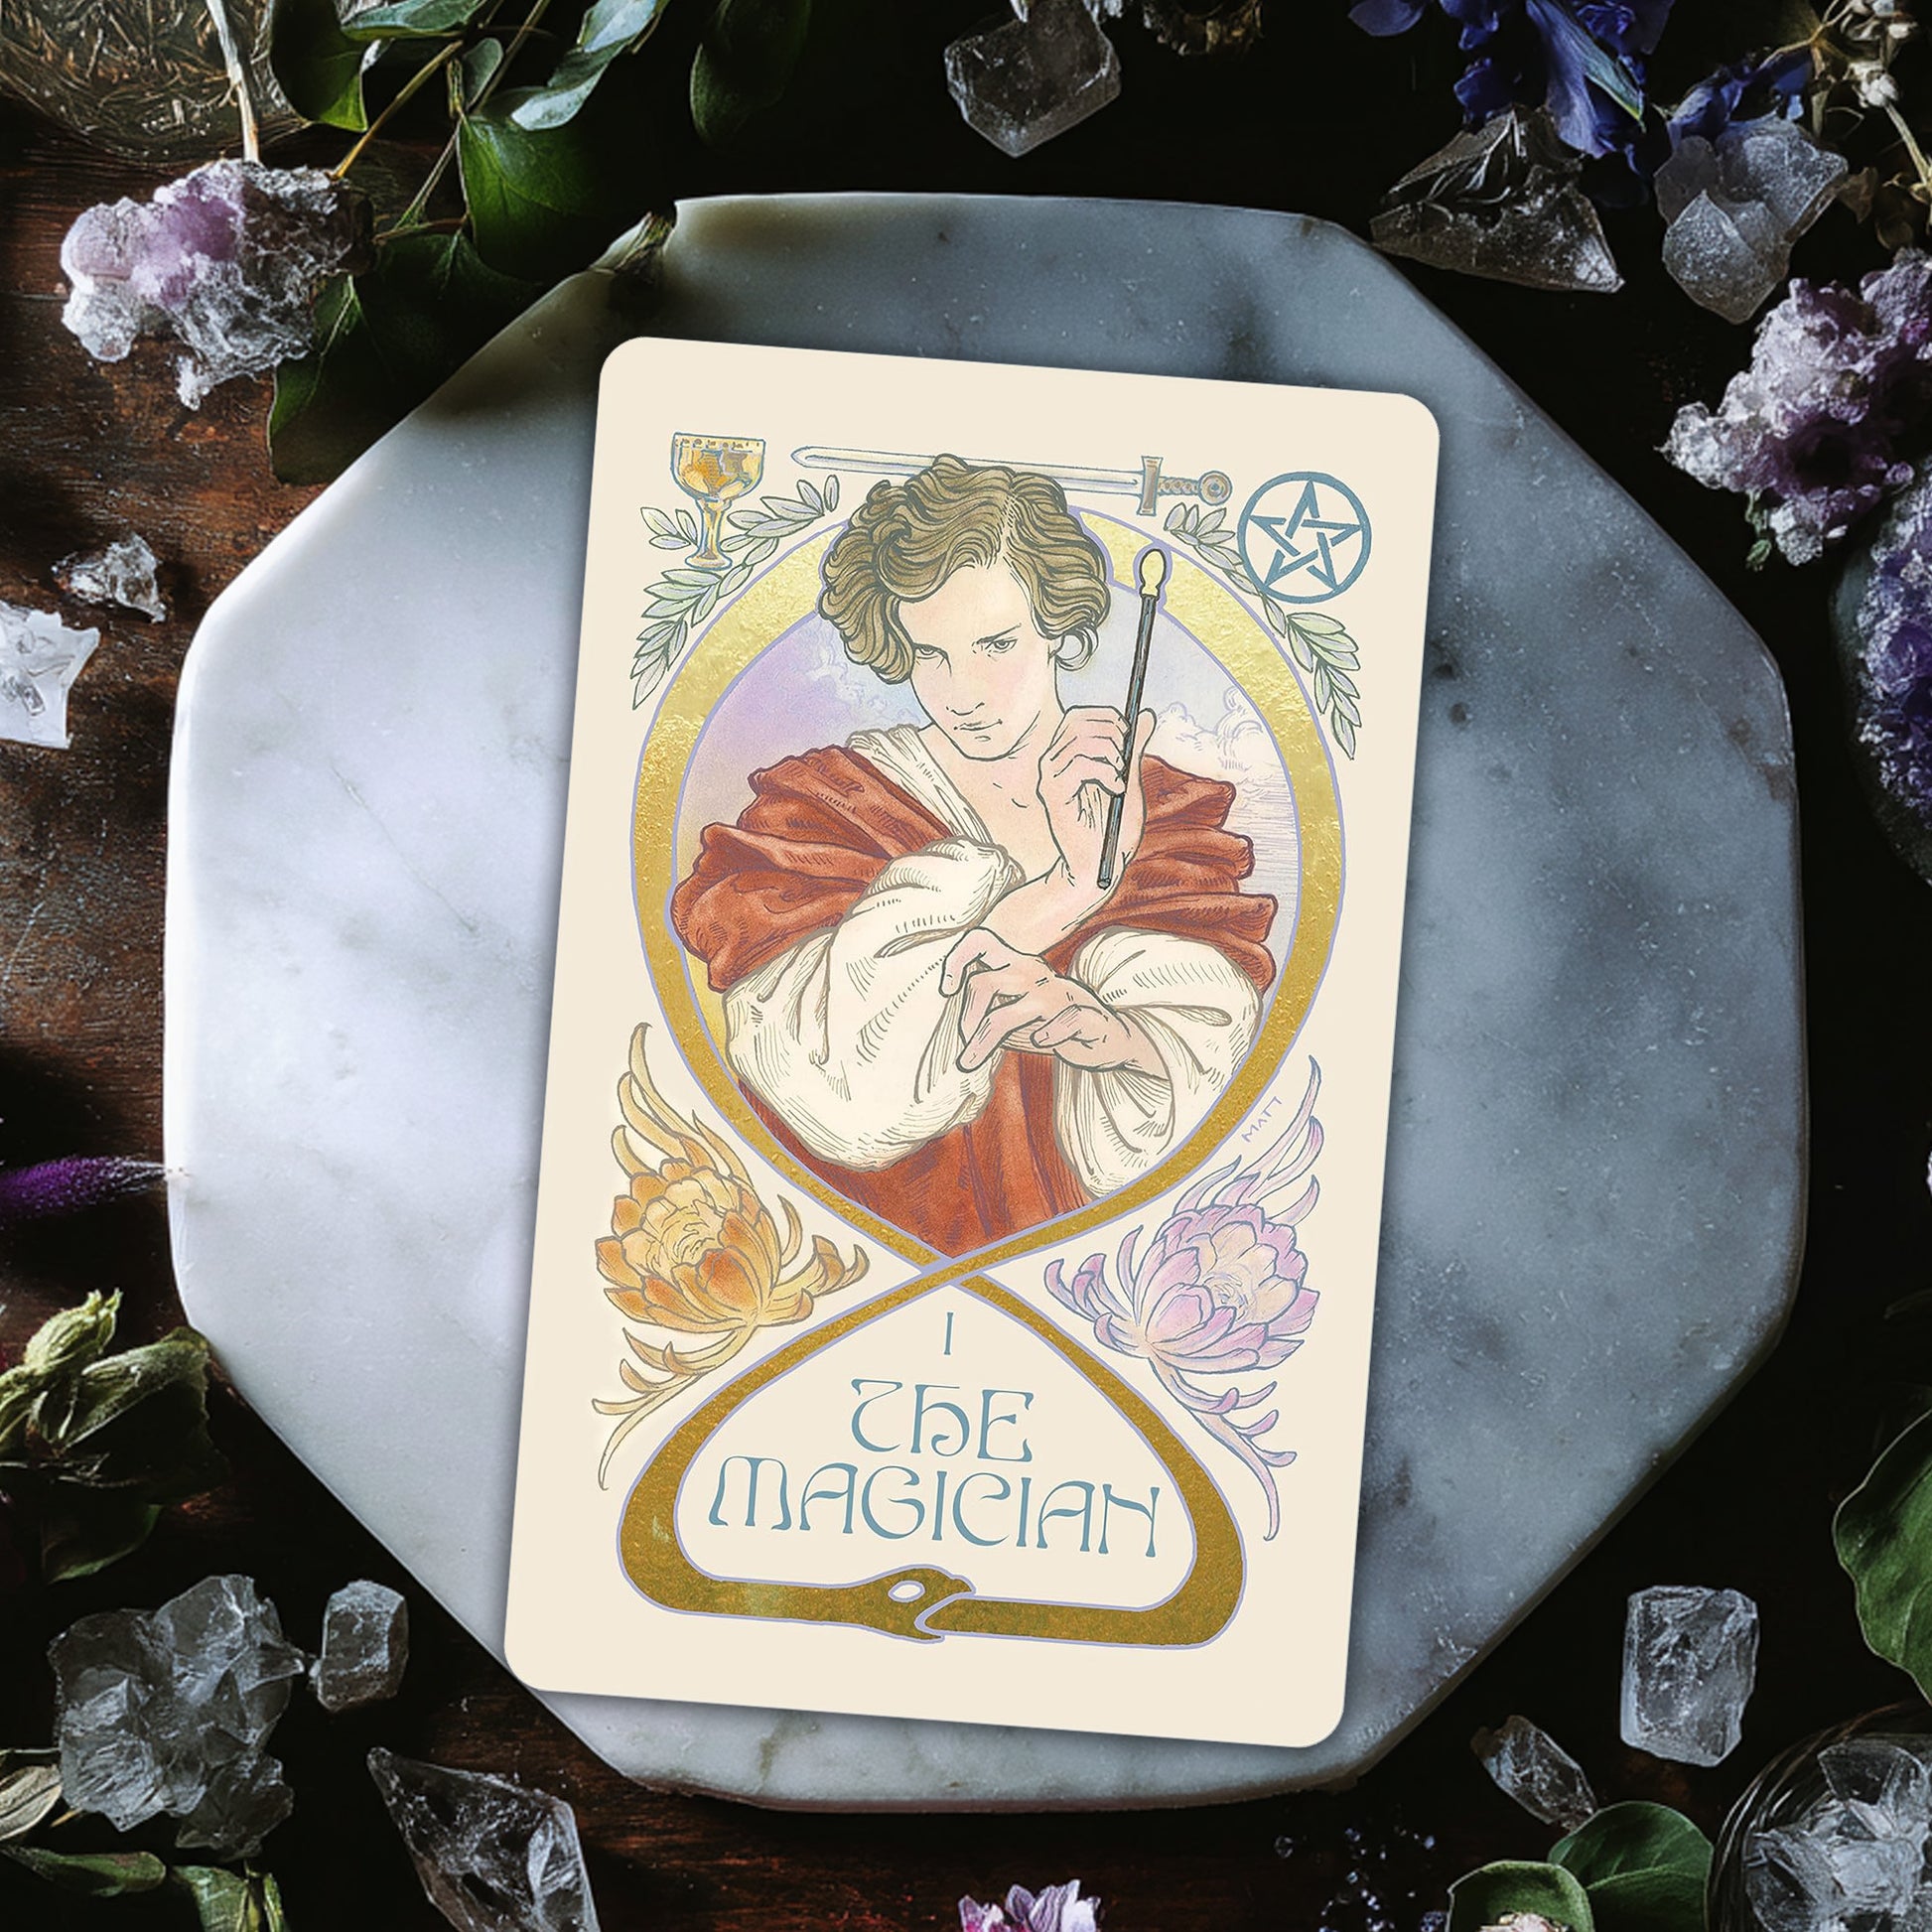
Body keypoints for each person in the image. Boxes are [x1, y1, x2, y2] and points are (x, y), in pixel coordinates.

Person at [670, 456, 1280, 1257]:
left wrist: (1119, 1042)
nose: (964, 692)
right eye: (932, 654)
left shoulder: (1163, 815)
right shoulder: (830, 808)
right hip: (860, 1248)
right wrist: (1063, 892)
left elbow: (1212, 1105)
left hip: (1066, 1261)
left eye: (996, 644)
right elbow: (834, 1097)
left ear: (1062, 631)